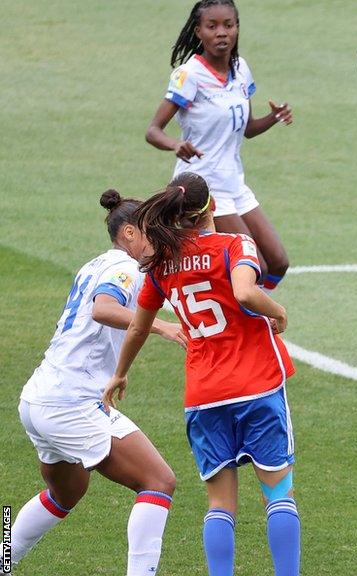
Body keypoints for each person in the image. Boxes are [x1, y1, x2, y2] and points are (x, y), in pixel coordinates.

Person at [102, 172, 299, 576]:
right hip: (257, 383)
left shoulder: (162, 265)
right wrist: (277, 311)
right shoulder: (235, 244)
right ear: (211, 207)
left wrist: (120, 373)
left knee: (220, 504)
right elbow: (245, 292)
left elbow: (139, 325)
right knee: (278, 494)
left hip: (204, 394)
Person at [11, 189, 185, 575]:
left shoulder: (97, 265)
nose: (156, 241)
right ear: (127, 234)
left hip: (38, 399)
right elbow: (104, 308)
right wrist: (162, 328)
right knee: (158, 480)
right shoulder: (123, 268)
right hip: (71, 402)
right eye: (150, 233)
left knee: (66, 492)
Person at [145, 0, 293, 293]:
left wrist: (274, 118)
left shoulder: (240, 70)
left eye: (229, 25)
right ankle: (244, 321)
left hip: (234, 183)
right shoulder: (190, 75)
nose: (221, 32)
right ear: (198, 31)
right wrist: (176, 144)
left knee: (278, 263)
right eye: (212, 26)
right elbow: (153, 131)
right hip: (204, 187)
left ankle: (250, 314)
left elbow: (247, 128)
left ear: (237, 28)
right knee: (255, 267)